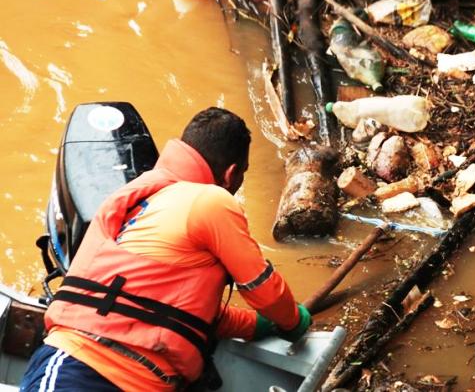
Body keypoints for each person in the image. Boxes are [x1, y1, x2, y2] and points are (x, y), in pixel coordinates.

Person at [20, 107, 311, 391]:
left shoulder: (136, 196)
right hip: (84, 371)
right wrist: (292, 321)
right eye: (243, 173)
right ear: (232, 173)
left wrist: (256, 326)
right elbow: (264, 291)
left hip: (116, 374)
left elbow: (176, 309)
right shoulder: (210, 201)